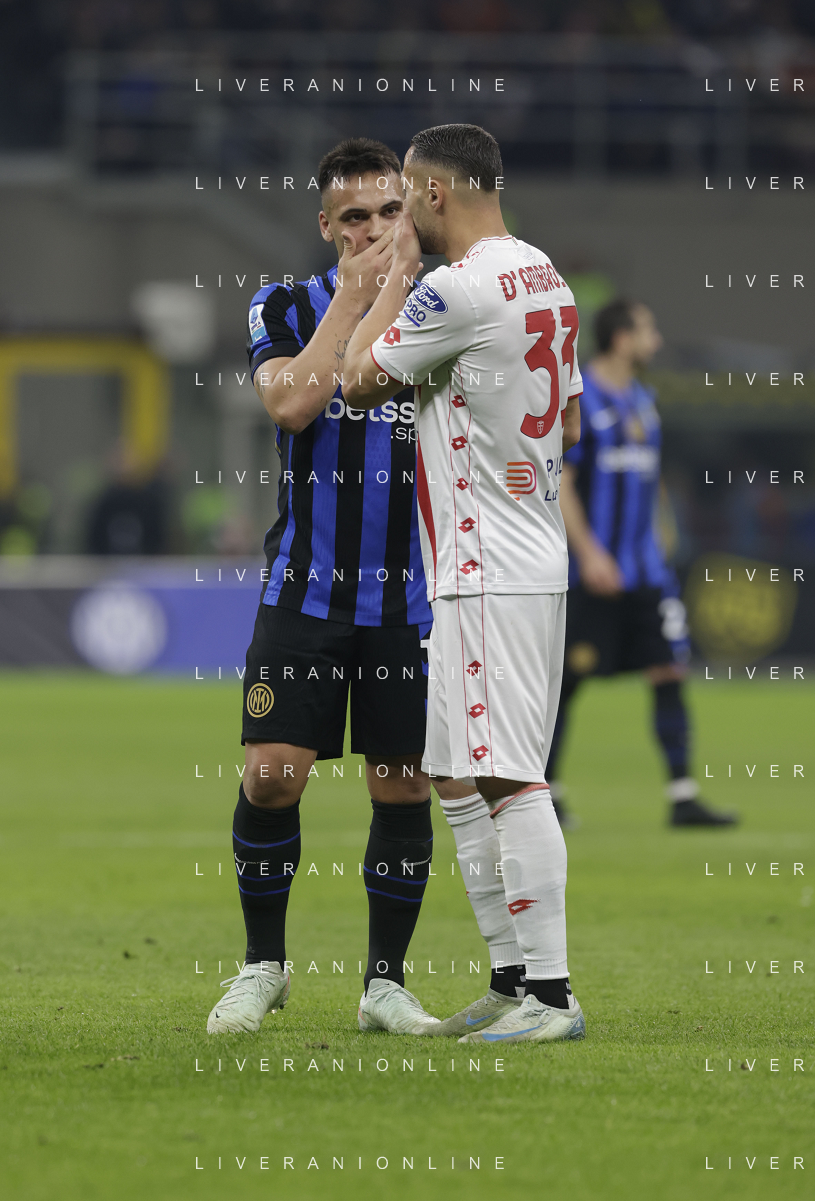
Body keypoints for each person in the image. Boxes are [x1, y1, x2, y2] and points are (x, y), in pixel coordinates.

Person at [206, 138, 470, 1038]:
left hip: (411, 599)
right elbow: (289, 403)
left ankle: (383, 985)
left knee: (403, 787)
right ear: (326, 226)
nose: (373, 229)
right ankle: (263, 964)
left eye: (389, 211)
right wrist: (356, 298)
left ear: (413, 211)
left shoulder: (451, 305)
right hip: (305, 590)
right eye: (353, 217)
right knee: (271, 777)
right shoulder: (282, 304)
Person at [344, 122, 586, 1045]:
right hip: (508, 558)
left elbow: (357, 381)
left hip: (490, 568)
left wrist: (392, 276)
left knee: (508, 776)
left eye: (405, 195)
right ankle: (511, 977)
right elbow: (569, 419)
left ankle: (551, 997)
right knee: (452, 772)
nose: (399, 210)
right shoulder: (545, 272)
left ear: (435, 194)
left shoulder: (454, 286)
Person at [545, 299, 737, 828]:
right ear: (621, 337)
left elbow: (650, 480)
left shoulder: (643, 399)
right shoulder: (581, 395)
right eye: (648, 329)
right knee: (566, 680)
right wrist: (589, 554)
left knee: (668, 669)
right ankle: (546, 793)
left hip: (647, 571)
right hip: (593, 572)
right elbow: (563, 481)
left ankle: (683, 797)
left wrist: (663, 533)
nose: (657, 339)